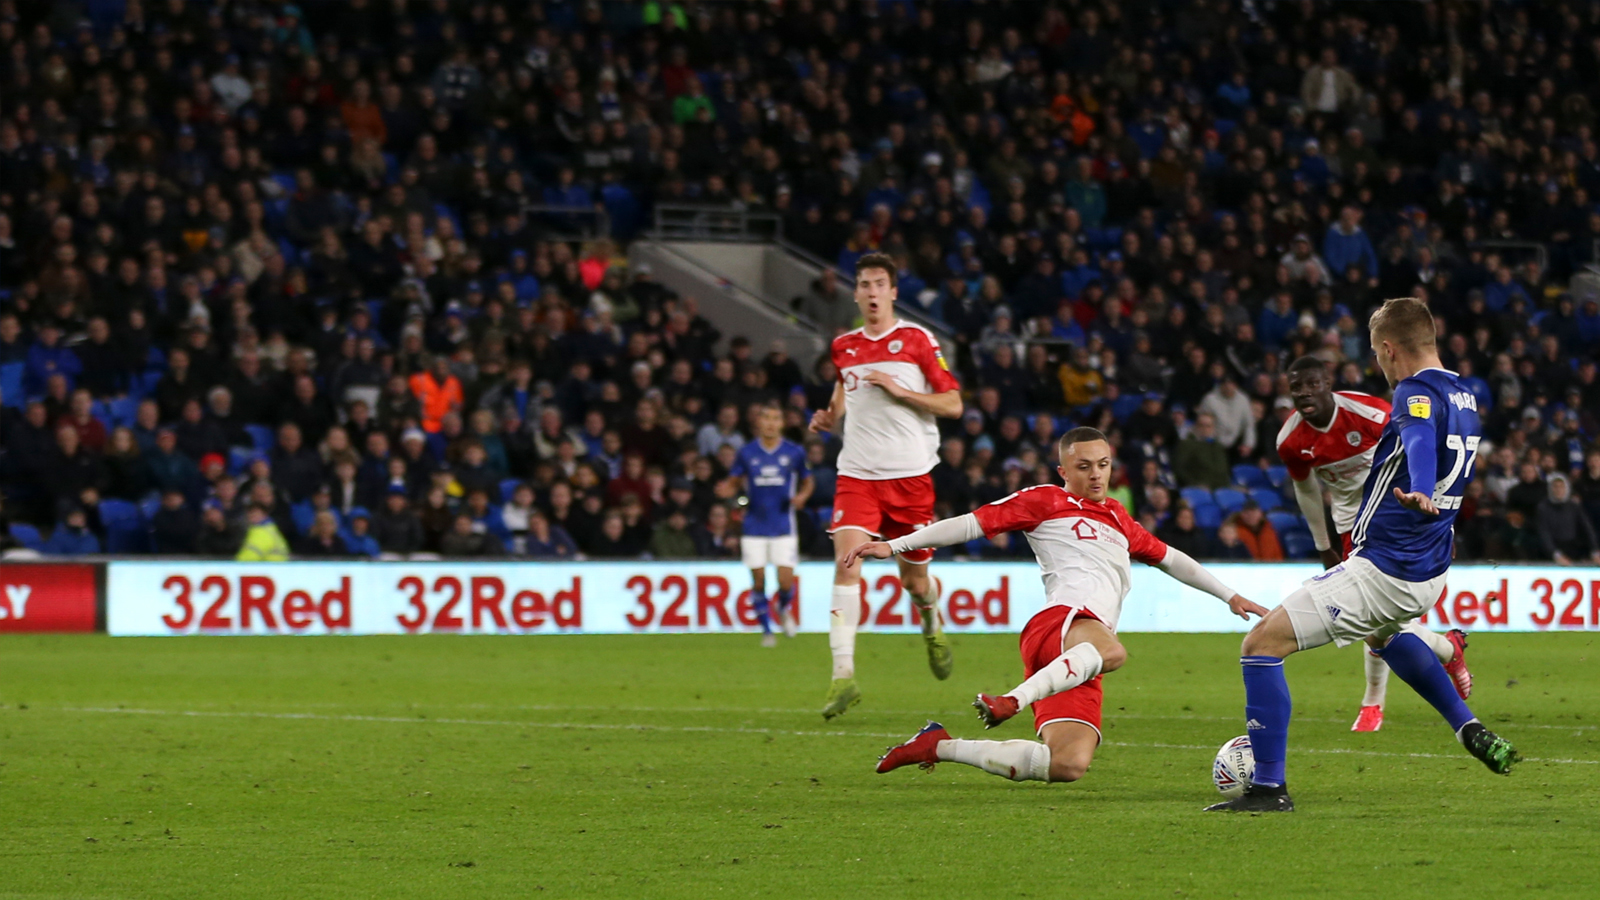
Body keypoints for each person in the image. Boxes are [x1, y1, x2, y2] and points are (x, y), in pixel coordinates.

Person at [1208, 298, 1519, 814]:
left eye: (1378, 353)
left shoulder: (1413, 390)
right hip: (1429, 565)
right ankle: (1468, 726)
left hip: (1387, 566)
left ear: (1389, 349)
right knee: (1386, 635)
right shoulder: (1463, 392)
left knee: (1261, 643)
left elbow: (1418, 439)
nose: (1379, 363)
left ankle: (1268, 788)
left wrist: (1419, 488)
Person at [861, 427, 1266, 785]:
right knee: (1114, 651)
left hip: (1079, 653)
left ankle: (938, 746)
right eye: (1085, 466)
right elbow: (972, 523)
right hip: (1063, 623)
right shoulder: (1045, 500)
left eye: (1103, 465)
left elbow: (1170, 557)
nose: (1096, 474)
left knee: (1067, 765)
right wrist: (895, 545)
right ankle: (1011, 702)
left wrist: (1229, 595)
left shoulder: (1118, 517)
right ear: (1064, 472)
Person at [808, 252, 964, 719]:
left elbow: (953, 403)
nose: (872, 292)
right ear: (855, 293)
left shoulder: (917, 340)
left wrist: (902, 392)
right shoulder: (844, 346)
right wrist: (830, 413)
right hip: (856, 474)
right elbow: (843, 386)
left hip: (911, 477)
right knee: (847, 564)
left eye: (880, 284)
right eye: (865, 284)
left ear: (894, 292)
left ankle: (931, 622)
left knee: (914, 582)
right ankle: (843, 677)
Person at [1278, 355, 1469, 732]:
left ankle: (1383, 696)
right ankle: (1434, 659)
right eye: (1296, 387)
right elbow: (1307, 491)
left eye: (1312, 384)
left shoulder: (1371, 414)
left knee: (1380, 621)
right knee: (1376, 623)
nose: (1304, 393)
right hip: (1353, 527)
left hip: (1400, 517)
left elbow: (1421, 448)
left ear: (1328, 382)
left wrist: (1445, 524)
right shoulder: (1291, 440)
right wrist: (1323, 545)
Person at [729, 403, 814, 647]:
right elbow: (735, 479)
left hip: (783, 525)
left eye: (775, 418)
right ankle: (767, 631)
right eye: (766, 417)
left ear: (782, 423)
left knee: (786, 581)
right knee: (758, 581)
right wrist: (729, 487)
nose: (770, 423)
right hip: (753, 526)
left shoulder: (794, 452)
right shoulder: (746, 452)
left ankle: (782, 606)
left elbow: (808, 482)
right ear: (759, 422)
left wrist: (802, 497)